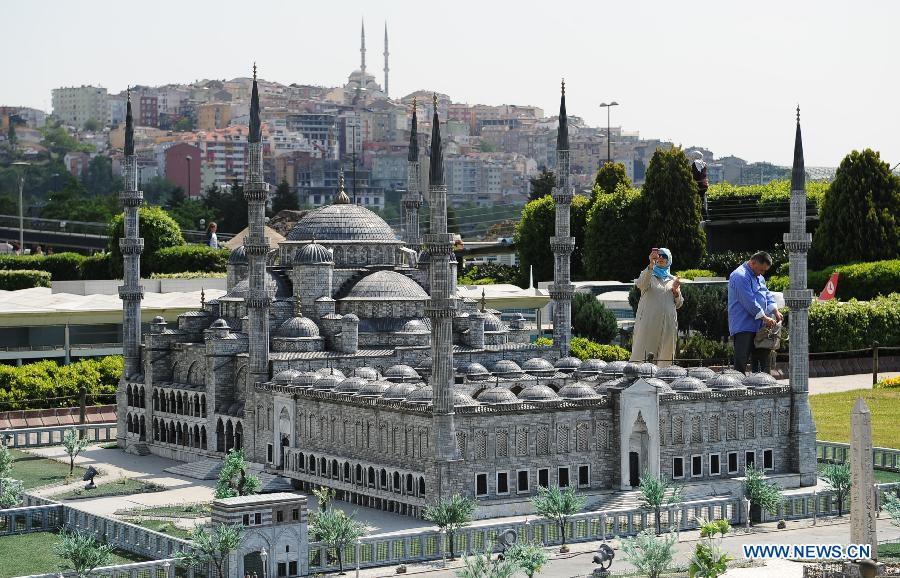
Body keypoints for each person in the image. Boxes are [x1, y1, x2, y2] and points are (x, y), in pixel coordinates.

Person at [728, 251, 781, 374]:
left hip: (760, 326)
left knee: (761, 363)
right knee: (741, 361)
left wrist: (775, 310)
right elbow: (749, 301)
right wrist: (765, 318)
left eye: (764, 271)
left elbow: (767, 294)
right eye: (761, 270)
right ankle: (738, 391)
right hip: (743, 326)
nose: (762, 273)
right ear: (753, 263)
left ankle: (760, 389)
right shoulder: (739, 275)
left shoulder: (759, 277)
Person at [630, 247, 683, 367]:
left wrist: (675, 291)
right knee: (644, 353)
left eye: (664, 256)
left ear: (669, 259)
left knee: (665, 356)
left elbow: (679, 303)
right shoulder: (649, 274)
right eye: (658, 255)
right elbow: (640, 284)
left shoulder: (673, 279)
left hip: (668, 325)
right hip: (649, 323)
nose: (661, 258)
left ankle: (663, 379)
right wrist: (650, 264)